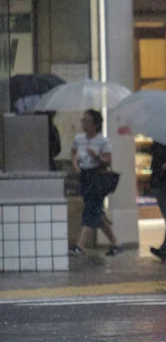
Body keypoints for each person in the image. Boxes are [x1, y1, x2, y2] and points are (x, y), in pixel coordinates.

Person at [69, 109, 124, 257]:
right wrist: (75, 164)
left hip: (96, 178)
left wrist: (97, 156)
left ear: (94, 124)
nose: (83, 123)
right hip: (84, 176)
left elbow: (108, 160)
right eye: (83, 120)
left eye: (86, 120)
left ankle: (80, 246)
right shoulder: (79, 138)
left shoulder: (102, 141)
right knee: (96, 213)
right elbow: (73, 152)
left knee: (90, 210)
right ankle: (116, 243)